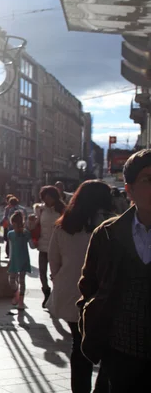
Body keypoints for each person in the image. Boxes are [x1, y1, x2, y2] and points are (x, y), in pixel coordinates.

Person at [78, 149, 151, 391]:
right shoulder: (107, 234)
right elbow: (89, 286)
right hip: (119, 357)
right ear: (129, 189)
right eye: (147, 179)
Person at [47, 180, 113, 393]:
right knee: (109, 349)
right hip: (102, 294)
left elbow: (53, 260)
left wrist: (59, 279)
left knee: (79, 344)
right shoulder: (110, 226)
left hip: (69, 292)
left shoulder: (64, 224)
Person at [34, 186, 66, 307]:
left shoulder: (62, 210)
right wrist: (31, 222)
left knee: (55, 274)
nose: (46, 200)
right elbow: (34, 226)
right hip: (43, 246)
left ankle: (55, 296)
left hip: (57, 247)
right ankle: (46, 292)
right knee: (42, 273)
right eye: (44, 198)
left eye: (49, 198)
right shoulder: (40, 210)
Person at [7, 211, 31, 310]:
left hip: (23, 260)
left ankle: (21, 301)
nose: (14, 226)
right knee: (12, 280)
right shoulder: (10, 234)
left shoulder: (26, 233)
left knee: (22, 281)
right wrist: (10, 259)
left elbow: (32, 246)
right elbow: (11, 248)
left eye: (15, 224)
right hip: (14, 260)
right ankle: (16, 295)